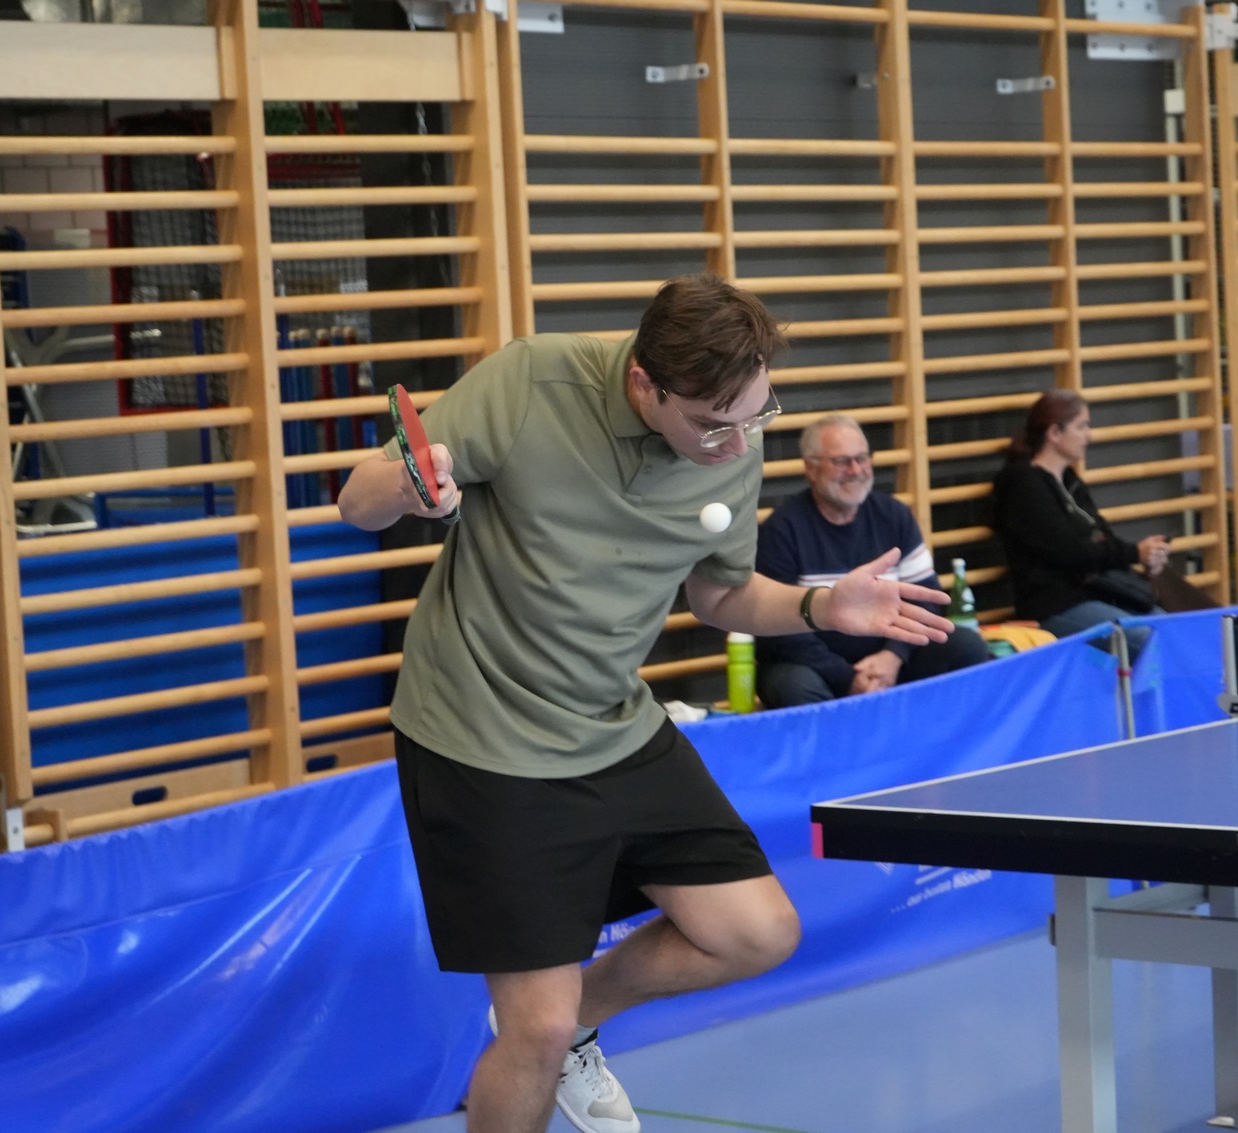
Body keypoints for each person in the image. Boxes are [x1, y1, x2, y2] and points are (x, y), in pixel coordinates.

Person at [335, 274, 954, 1133]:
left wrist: (821, 606)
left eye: (756, 417)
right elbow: (357, 501)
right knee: (534, 1029)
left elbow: (721, 594)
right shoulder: (532, 381)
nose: (737, 444)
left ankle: (579, 1018)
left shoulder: (733, 436)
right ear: (643, 384)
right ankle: (553, 1033)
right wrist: (408, 488)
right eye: (714, 424)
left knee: (757, 932)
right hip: (482, 735)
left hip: (614, 722)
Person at [754, 413, 991, 708]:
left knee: (965, 645)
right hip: (817, 669)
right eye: (842, 461)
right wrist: (847, 677)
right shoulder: (782, 530)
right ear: (811, 469)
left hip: (890, 661)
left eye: (862, 458)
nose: (856, 470)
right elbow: (779, 629)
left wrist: (893, 656)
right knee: (792, 685)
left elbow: (926, 597)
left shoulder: (895, 515)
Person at [990, 389, 1168, 660]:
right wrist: (1134, 553)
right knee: (1148, 642)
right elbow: (1068, 550)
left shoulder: (1070, 481)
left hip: (1097, 592)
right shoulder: (1022, 484)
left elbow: (1102, 536)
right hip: (1055, 605)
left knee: (1171, 631)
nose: (1089, 435)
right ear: (1054, 433)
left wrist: (1146, 554)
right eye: (1081, 426)